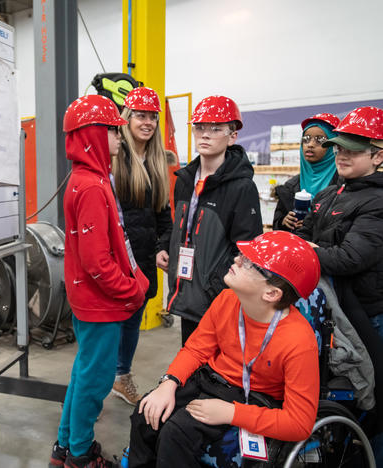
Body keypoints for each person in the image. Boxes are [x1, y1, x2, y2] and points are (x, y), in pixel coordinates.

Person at [128, 231, 321, 468]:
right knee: (144, 415)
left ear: (271, 293)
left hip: (255, 398)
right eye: (242, 254)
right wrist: (169, 382)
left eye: (249, 263)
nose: (237, 259)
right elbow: (196, 349)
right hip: (211, 379)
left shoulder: (299, 341)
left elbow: (299, 423)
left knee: (176, 433)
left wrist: (231, 413)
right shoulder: (227, 300)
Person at [50, 94, 149, 468]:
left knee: (83, 373)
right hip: (100, 304)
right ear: (93, 134)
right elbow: (96, 260)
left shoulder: (89, 178)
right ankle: (80, 454)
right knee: (95, 381)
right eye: (113, 130)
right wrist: (131, 290)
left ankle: (65, 446)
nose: (119, 138)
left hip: (90, 300)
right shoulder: (91, 186)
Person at [296, 106, 383, 465]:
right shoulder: (333, 194)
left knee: (373, 399)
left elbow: (349, 258)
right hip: (333, 315)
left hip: (366, 316)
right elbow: (308, 237)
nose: (341, 154)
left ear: (378, 155)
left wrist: (310, 251)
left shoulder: (377, 201)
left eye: (352, 149)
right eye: (339, 147)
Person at [160, 95, 262, 345]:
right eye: (200, 128)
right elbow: (181, 226)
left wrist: (217, 285)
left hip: (217, 296)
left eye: (216, 129)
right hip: (185, 289)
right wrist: (166, 249)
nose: (205, 135)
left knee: (215, 366)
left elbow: (246, 249)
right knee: (189, 358)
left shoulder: (242, 187)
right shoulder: (185, 179)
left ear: (232, 135)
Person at [110, 87, 172, 406]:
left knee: (133, 319)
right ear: (127, 118)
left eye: (152, 117)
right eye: (140, 115)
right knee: (109, 324)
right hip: (118, 257)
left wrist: (164, 245)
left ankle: (122, 376)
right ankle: (99, 381)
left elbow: (163, 212)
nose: (147, 122)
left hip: (144, 257)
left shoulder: (157, 160)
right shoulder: (116, 156)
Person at [273, 113, 340, 231]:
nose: (310, 145)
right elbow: (277, 225)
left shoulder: (344, 186)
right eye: (306, 139)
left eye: (320, 140)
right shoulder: (291, 186)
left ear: (333, 145)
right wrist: (284, 222)